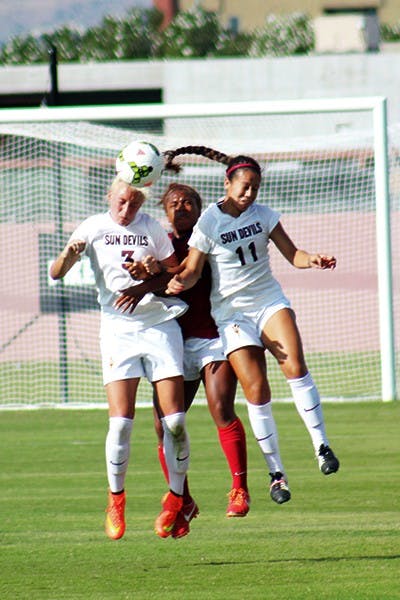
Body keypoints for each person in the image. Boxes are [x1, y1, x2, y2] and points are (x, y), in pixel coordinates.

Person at [164, 146, 340, 505]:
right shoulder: (209, 222)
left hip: (267, 302)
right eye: (244, 186)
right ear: (227, 183)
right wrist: (178, 280)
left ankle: (321, 445)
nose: (249, 194)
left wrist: (314, 259)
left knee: (295, 366)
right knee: (256, 391)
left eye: (255, 188)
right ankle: (277, 475)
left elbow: (294, 255)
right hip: (231, 315)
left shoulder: (264, 215)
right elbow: (195, 269)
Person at [50, 175, 194, 540]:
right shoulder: (93, 227)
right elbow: (56, 273)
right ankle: (116, 499)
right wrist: (69, 254)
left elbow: (176, 274)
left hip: (159, 326)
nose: (126, 209)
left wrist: (151, 273)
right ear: (109, 196)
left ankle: (177, 502)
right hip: (117, 330)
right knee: (121, 424)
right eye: (121, 202)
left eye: (133, 204)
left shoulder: (152, 229)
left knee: (175, 421)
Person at [115, 183, 250, 538]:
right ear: (165, 210)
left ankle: (239, 490)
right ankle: (183, 501)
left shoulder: (209, 238)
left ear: (199, 207)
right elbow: (164, 281)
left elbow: (185, 275)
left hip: (214, 337)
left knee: (221, 407)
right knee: (164, 425)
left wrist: (149, 279)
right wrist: (145, 275)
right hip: (176, 344)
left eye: (189, 201)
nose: (182, 206)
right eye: (174, 203)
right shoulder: (162, 245)